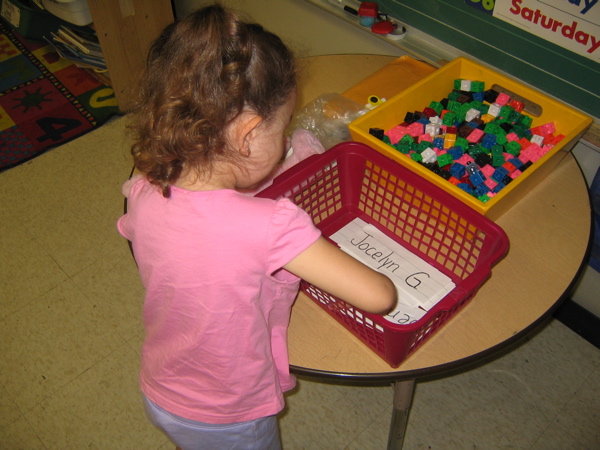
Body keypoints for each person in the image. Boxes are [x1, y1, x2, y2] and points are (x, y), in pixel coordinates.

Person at [117, 4, 396, 449]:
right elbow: (379, 296)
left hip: (162, 386)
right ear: (247, 136)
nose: (287, 142)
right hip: (229, 414)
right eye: (284, 128)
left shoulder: (142, 186)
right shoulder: (270, 226)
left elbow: (174, 235)